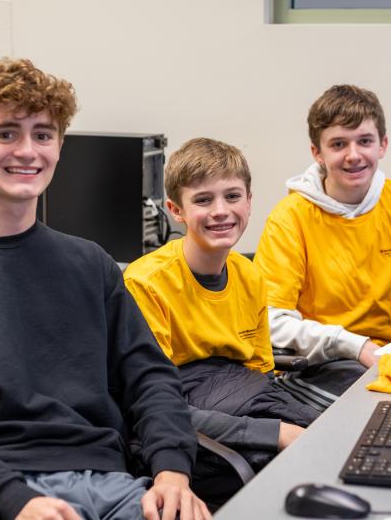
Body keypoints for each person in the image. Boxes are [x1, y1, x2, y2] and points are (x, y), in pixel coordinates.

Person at [0, 58, 210, 520]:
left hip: (110, 485)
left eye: (43, 134)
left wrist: (173, 471)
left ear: (59, 146)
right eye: (7, 133)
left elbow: (150, 378)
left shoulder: (90, 264)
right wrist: (16, 503)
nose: (28, 151)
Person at [254, 84, 391, 407]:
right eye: (338, 144)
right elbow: (270, 321)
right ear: (317, 153)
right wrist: (352, 345)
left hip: (386, 359)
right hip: (318, 366)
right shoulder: (290, 218)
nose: (353, 155)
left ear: (382, 145)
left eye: (364, 141)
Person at [123, 138, 318, 471]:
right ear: (176, 210)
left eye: (232, 196)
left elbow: (261, 374)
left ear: (249, 201)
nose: (220, 211)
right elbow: (156, 404)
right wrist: (274, 433)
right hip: (180, 418)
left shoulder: (250, 274)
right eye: (203, 200)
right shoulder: (146, 282)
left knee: (326, 439)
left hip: (242, 398)